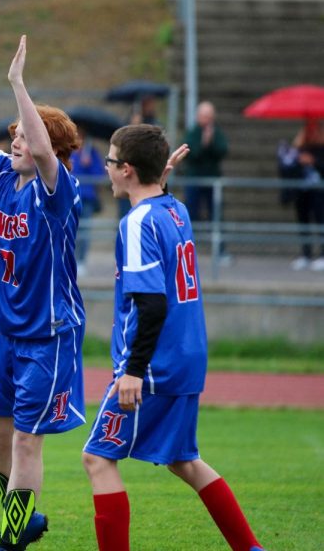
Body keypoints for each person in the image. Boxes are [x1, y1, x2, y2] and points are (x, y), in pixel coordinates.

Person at [82, 124, 265, 551]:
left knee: (97, 458)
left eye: (110, 161)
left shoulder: (136, 223)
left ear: (126, 170)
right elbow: (157, 195)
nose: (106, 169)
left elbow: (152, 305)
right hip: (186, 358)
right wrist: (158, 177)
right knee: (184, 461)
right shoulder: (174, 209)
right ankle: (252, 549)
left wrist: (132, 371)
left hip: (153, 368)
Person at [0, 29, 85, 550]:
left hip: (48, 336)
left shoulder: (58, 188)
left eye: (23, 136)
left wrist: (18, 82)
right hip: (9, 333)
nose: (15, 143)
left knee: (28, 438)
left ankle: (9, 539)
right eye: (15, 137)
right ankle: (20, 518)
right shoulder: (5, 176)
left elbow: (46, 149)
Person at [278, 121, 324, 271]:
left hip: (319, 192)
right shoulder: (297, 149)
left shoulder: (321, 149)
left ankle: (322, 255)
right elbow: (288, 168)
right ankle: (306, 254)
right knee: (303, 223)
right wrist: (297, 159)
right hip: (301, 191)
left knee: (320, 222)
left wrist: (314, 161)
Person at [71, 126, 105, 276]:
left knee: (84, 229)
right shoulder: (69, 152)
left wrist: (89, 164)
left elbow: (99, 174)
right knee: (72, 230)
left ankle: (81, 261)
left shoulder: (92, 153)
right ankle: (70, 259)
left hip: (87, 198)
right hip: (71, 197)